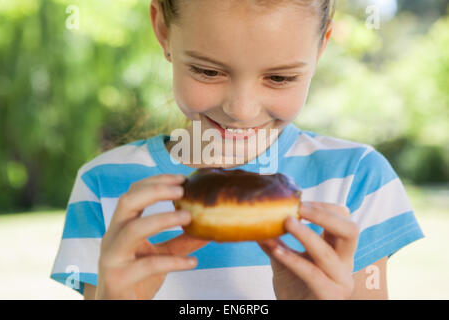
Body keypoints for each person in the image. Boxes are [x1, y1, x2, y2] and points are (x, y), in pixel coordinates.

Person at [50, 0, 424, 300]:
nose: (241, 110)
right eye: (208, 71)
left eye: (279, 77)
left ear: (322, 44)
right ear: (163, 30)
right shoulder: (104, 187)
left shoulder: (359, 179)